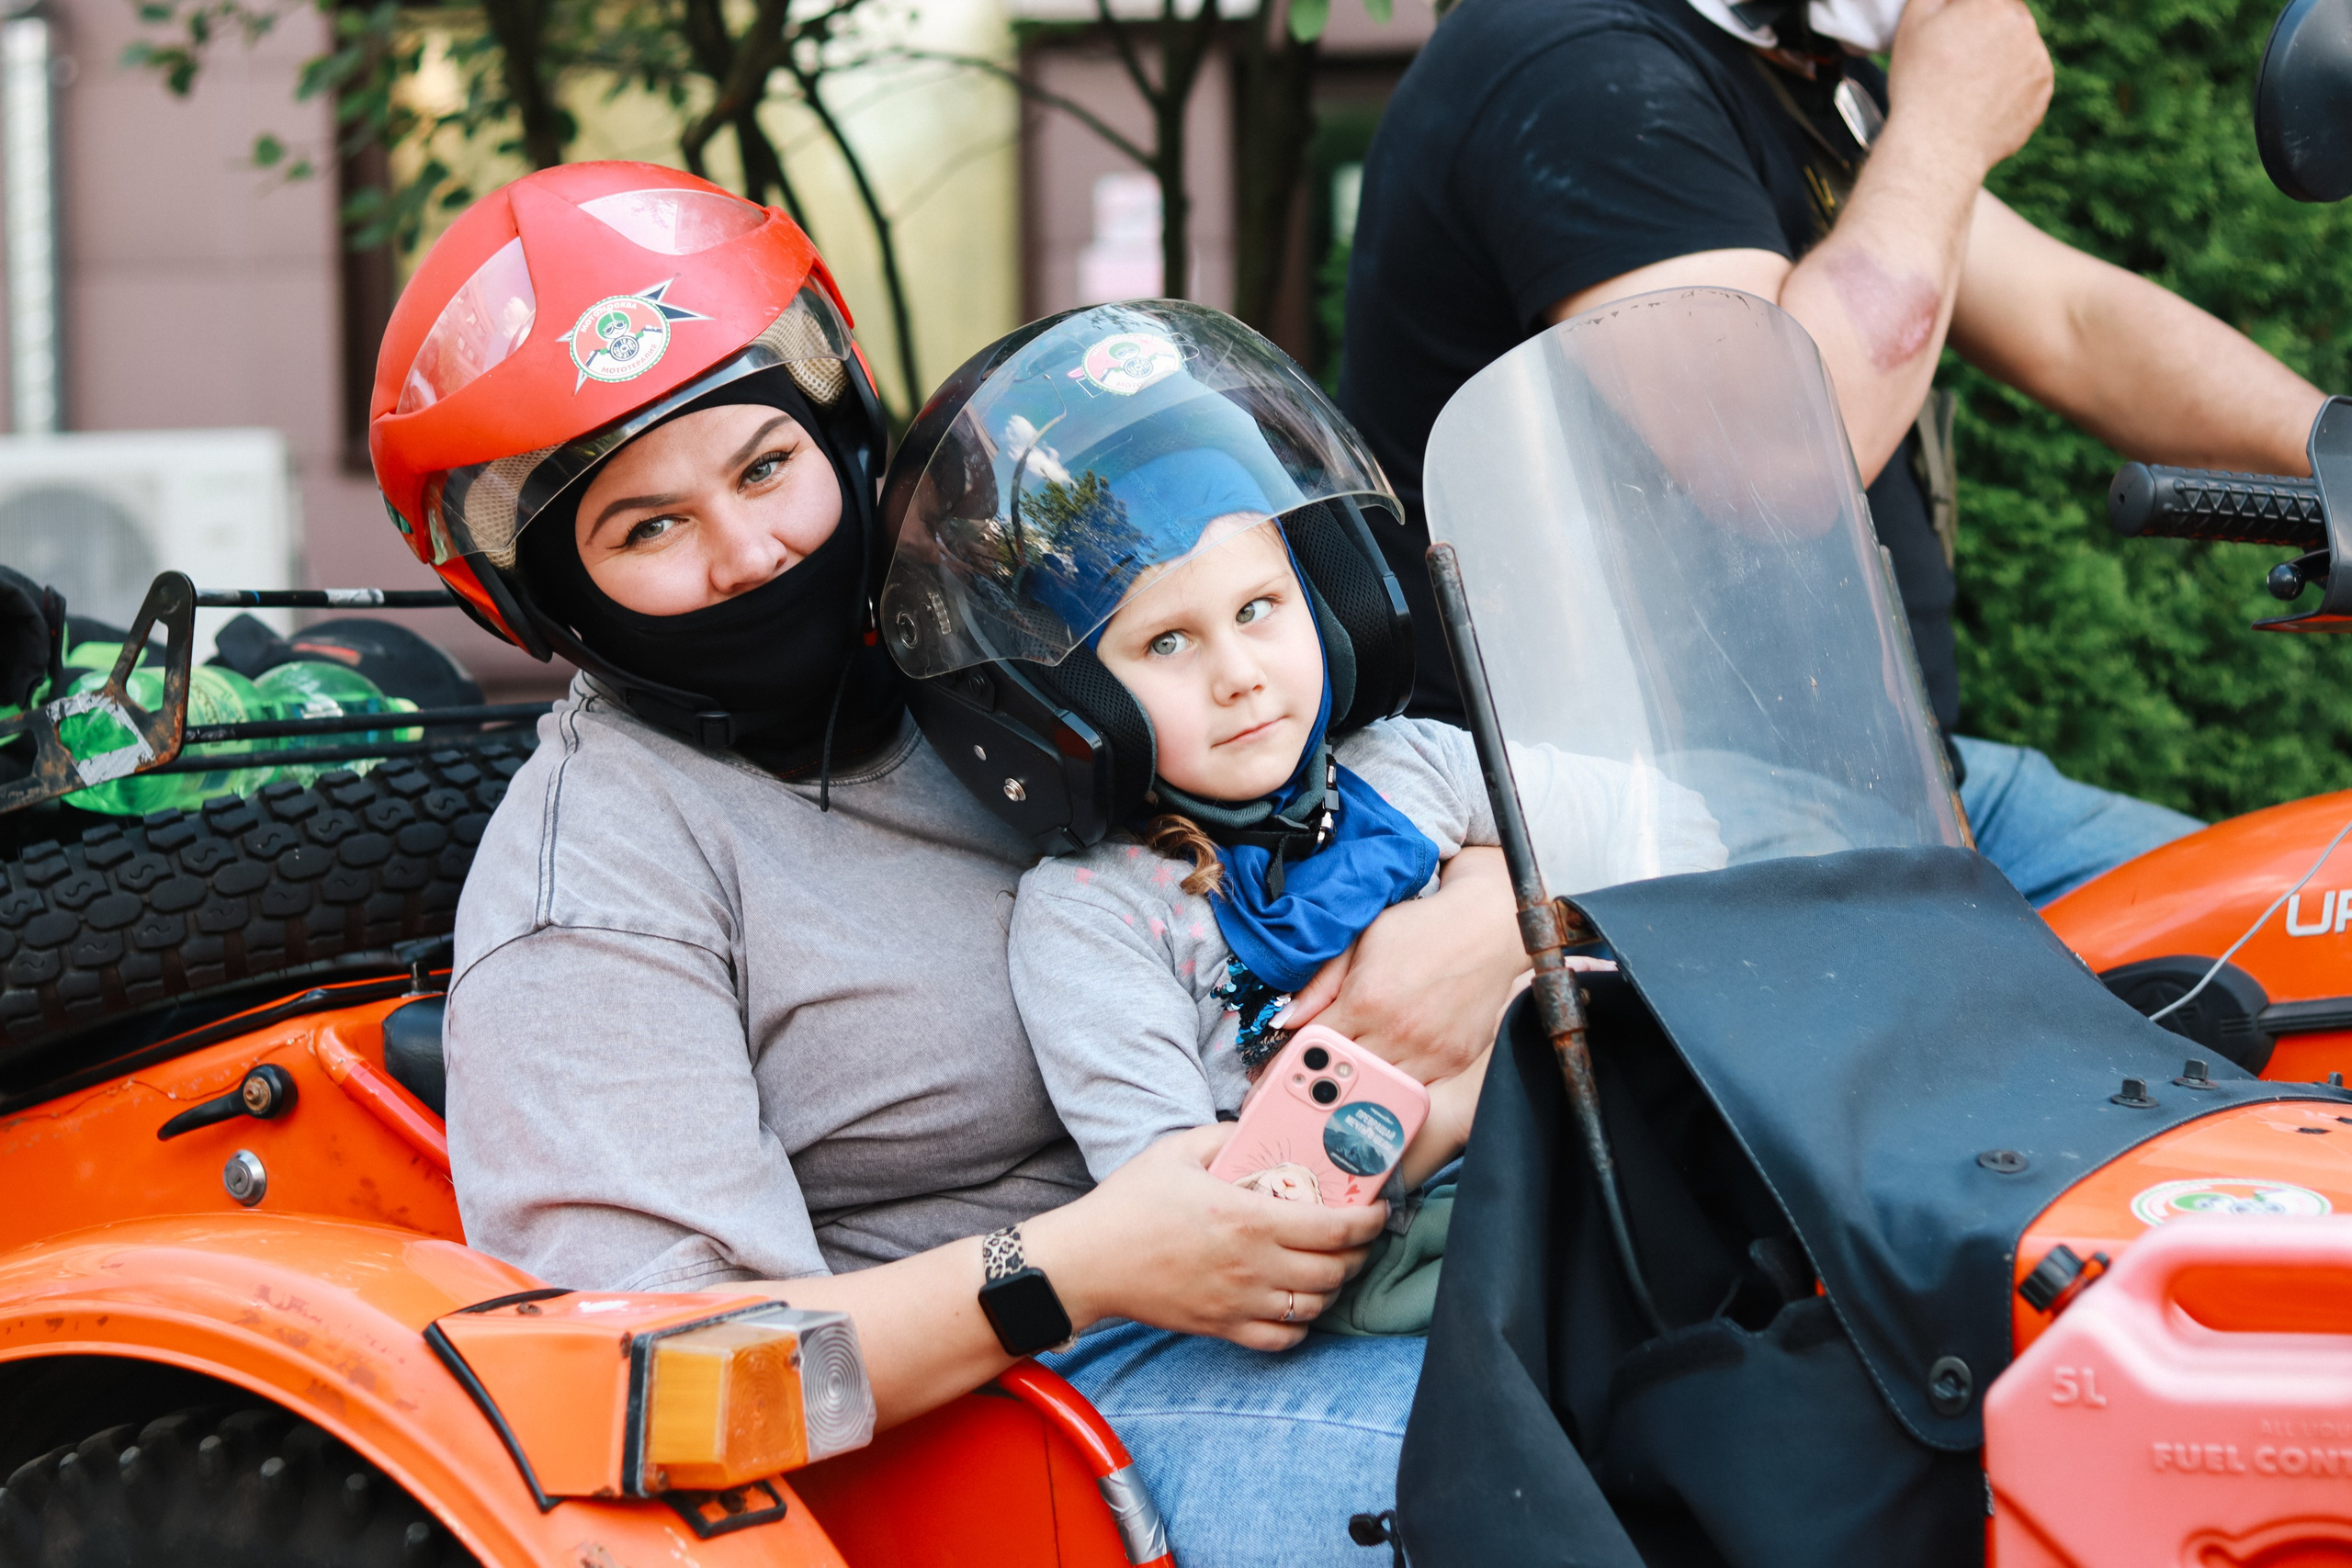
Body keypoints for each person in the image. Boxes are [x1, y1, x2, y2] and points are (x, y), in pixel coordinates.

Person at [374, 163, 1530, 1565]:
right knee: (1561, 1488)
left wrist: (1495, 909)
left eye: (764, 464)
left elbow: (1360, 771)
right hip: (1038, 1410)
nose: (749, 552)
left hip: (1423, 1208)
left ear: (842, 430)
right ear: (535, 594)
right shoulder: (600, 880)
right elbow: (645, 1375)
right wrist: (1076, 1260)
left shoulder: (998, 634)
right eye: (648, 526)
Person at [1338, 0, 2320, 903]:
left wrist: (2332, 446)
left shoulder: (1798, 78)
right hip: (1658, 823)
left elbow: (2076, 323)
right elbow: (1776, 454)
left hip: (1893, 783)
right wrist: (1942, 120)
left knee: (2296, 927)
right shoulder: (1581, 68)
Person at [948, 397, 1722, 1333]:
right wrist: (1468, 1095)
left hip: (1605, 1173)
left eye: (1259, 608)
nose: (1238, 673)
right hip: (1401, 1281)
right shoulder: (1093, 915)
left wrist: (1525, 920)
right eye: (1165, 641)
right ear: (1080, 700)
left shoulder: (1406, 766)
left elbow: (1676, 832)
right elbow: (1190, 1224)